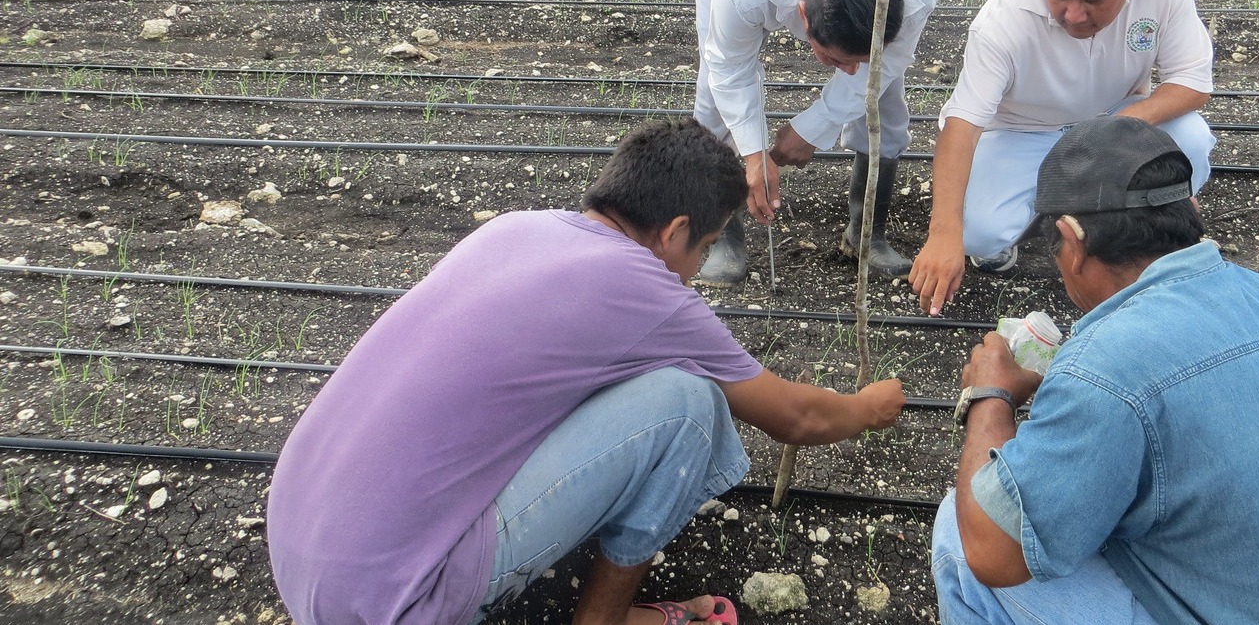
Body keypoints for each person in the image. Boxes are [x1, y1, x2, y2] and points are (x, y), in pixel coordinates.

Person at [266, 119, 906, 625]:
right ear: (674, 230)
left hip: (300, 544)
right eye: (707, 247)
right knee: (689, 403)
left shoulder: (519, 229)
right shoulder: (645, 288)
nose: (698, 265)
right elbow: (796, 416)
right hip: (395, 602)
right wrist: (872, 408)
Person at [932, 116, 1259, 624]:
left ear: (1074, 240)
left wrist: (990, 395)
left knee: (962, 530)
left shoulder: (1107, 368)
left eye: (1055, 246)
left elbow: (992, 552)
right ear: (1189, 210)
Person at [910, 0, 1216, 317]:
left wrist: (1114, 130)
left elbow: (1192, 80)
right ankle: (1051, 224)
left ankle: (1147, 234)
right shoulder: (1004, 20)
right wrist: (943, 235)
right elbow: (963, 126)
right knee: (978, 234)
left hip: (1115, 112)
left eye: (1093, 0)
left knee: (1191, 138)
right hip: (1023, 129)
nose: (1073, 15)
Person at [685, 0, 939, 284]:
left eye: (860, 61)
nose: (850, 71)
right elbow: (729, 69)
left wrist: (813, 126)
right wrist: (754, 153)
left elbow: (886, 66)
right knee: (712, 98)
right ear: (803, 13)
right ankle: (721, 235)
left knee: (885, 101)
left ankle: (866, 233)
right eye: (836, 59)